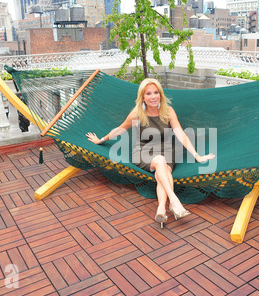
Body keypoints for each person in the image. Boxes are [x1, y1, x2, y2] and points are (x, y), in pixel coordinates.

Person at [86, 78, 215, 228]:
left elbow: (181, 134)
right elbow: (120, 129)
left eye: (156, 92)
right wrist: (101, 140)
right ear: (143, 97)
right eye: (148, 93)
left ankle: (161, 208)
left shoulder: (168, 111)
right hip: (143, 152)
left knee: (164, 168)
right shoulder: (137, 114)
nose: (153, 96)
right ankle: (174, 201)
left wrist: (197, 156)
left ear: (160, 94)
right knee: (160, 162)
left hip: (166, 151)